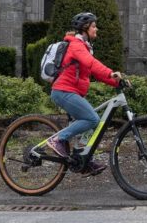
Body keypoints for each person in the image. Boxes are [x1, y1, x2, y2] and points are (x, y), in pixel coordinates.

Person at [46, 11, 123, 175]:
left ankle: (83, 159)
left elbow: (94, 72)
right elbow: (91, 63)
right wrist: (110, 72)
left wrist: (115, 81)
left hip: (71, 92)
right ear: (85, 28)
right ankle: (58, 139)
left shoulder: (85, 47)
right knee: (92, 118)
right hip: (63, 91)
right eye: (94, 26)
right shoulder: (76, 46)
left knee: (91, 122)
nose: (97, 29)